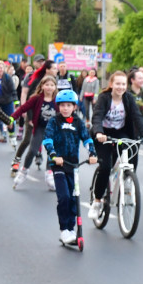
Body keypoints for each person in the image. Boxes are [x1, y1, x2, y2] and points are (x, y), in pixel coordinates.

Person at [88, 70, 143, 219]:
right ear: (111, 84)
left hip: (120, 132)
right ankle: (97, 201)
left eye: (123, 84)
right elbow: (97, 116)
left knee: (133, 149)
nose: (120, 87)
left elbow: (137, 117)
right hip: (103, 134)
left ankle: (128, 182)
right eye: (117, 83)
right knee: (105, 167)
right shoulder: (104, 98)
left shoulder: (129, 98)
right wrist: (98, 133)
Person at [42, 89, 97, 246]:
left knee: (74, 198)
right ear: (58, 106)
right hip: (59, 164)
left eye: (68, 105)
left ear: (74, 107)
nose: (65, 108)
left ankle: (71, 229)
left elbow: (86, 139)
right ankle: (64, 230)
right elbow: (47, 140)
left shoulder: (78, 122)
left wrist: (92, 153)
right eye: (62, 105)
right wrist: (53, 155)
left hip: (73, 165)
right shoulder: (54, 121)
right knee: (64, 196)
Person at [11, 75, 59, 189]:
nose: (49, 87)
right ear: (42, 86)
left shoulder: (58, 99)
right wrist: (12, 118)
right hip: (40, 129)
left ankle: (49, 174)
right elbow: (23, 108)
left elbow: (67, 111)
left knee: (51, 153)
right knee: (32, 150)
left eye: (52, 85)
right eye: (46, 85)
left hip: (53, 131)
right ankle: (23, 172)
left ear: (55, 87)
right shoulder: (36, 98)